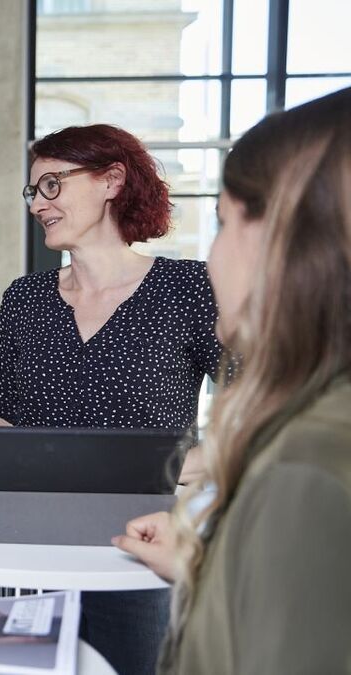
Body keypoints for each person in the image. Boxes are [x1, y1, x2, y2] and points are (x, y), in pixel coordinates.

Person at [0, 124, 224, 674]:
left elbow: (261, 400)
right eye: (33, 191)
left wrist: (184, 466)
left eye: (52, 186)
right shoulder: (26, 297)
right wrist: (27, 472)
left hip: (140, 549)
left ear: (111, 180)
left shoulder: (190, 288)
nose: (38, 203)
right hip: (32, 544)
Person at [113, 88, 351, 674]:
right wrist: (209, 564)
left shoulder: (306, 467)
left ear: (285, 243)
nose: (212, 256)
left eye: (222, 221)